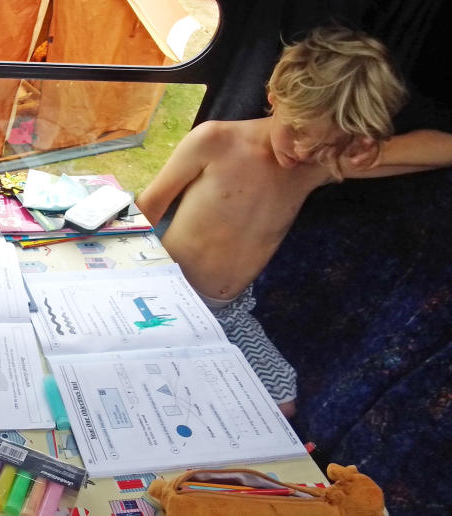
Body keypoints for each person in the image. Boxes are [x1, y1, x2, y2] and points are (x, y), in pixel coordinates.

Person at [137, 25, 452, 417]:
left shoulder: (322, 165)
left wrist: (363, 150)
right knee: (154, 380)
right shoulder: (215, 141)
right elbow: (148, 207)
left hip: (230, 313)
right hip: (167, 296)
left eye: (325, 143)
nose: (303, 151)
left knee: (281, 404)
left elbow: (439, 148)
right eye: (299, 131)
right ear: (274, 95)